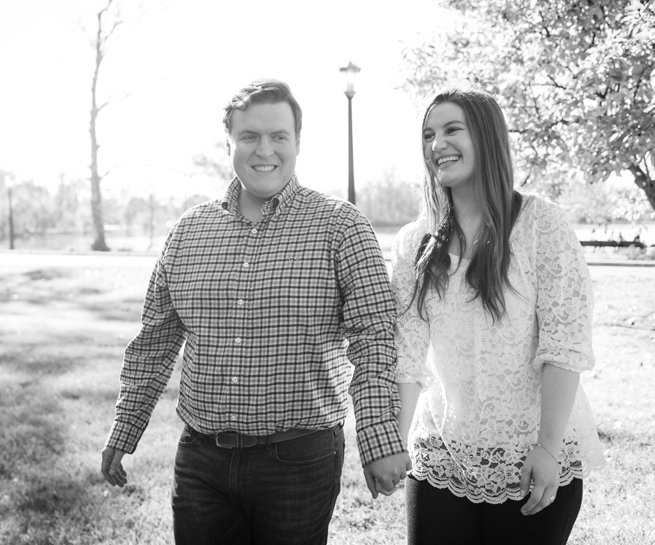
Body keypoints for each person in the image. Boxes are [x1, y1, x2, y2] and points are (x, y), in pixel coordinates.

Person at [100, 79, 410, 544]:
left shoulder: (342, 226)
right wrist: (125, 428)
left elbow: (374, 340)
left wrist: (378, 438)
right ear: (230, 143)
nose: (264, 149)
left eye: (278, 136)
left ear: (297, 143)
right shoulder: (189, 232)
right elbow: (156, 340)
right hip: (202, 461)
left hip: (299, 461)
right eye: (249, 136)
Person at [392, 88, 606, 545]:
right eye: (429, 135)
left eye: (452, 130)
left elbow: (564, 343)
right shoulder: (415, 242)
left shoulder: (540, 224)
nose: (436, 145)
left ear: (487, 138)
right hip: (440, 457)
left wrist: (548, 448)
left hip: (532, 455)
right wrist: (394, 443)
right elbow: (406, 354)